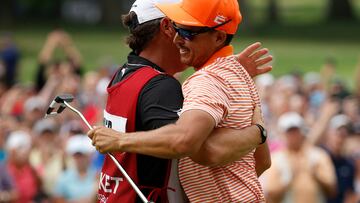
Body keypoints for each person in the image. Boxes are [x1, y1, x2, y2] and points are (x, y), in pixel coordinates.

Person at [89, 0, 271, 202]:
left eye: (187, 31)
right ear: (166, 27)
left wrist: (119, 141)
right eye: (178, 26)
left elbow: (188, 143)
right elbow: (254, 160)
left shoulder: (123, 74)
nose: (178, 37)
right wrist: (258, 132)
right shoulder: (166, 86)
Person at [265, 112, 336, 203]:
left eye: (296, 131)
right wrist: (289, 179)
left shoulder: (318, 155)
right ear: (283, 134)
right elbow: (271, 193)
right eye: (289, 132)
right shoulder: (276, 159)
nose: (293, 135)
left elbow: (332, 189)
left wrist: (317, 175)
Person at [54, 135, 97, 203]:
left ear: (88, 156)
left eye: (81, 155)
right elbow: (58, 199)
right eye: (76, 156)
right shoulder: (64, 176)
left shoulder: (97, 175)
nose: (79, 159)